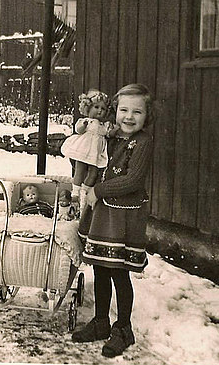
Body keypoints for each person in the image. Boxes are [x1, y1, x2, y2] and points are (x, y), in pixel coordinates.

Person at [71, 83, 155, 358]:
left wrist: (98, 190)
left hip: (124, 215)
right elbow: (93, 157)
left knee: (119, 270)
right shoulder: (110, 136)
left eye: (137, 112)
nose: (129, 117)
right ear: (115, 111)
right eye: (123, 110)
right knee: (100, 267)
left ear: (147, 115)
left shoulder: (142, 142)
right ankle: (100, 322)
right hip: (103, 213)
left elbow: (132, 180)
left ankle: (123, 328)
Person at [60, 89, 114, 214]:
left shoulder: (104, 125)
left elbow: (108, 134)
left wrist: (113, 131)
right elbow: (78, 130)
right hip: (83, 149)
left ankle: (84, 192)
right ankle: (75, 192)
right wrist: (83, 125)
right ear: (87, 107)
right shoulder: (86, 121)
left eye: (103, 109)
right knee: (80, 170)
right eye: (96, 107)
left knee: (93, 173)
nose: (100, 110)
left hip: (95, 153)